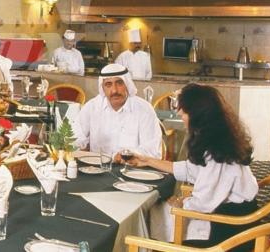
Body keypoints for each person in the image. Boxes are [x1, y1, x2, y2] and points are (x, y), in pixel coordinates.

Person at [130, 83, 258, 248]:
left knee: (151, 217)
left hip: (227, 233)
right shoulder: (220, 138)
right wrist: (147, 160)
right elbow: (190, 169)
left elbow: (203, 202)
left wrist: (182, 203)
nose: (179, 114)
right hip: (230, 218)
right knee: (156, 211)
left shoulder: (217, 151)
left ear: (198, 114)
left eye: (184, 111)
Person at [72, 63, 161, 159]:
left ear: (127, 84)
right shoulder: (92, 107)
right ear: (102, 88)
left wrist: (123, 155)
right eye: (108, 84)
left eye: (119, 83)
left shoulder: (144, 109)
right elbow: (74, 137)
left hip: (131, 166)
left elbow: (153, 151)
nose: (114, 90)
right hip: (96, 166)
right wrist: (78, 145)